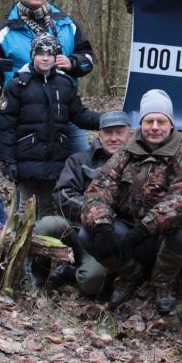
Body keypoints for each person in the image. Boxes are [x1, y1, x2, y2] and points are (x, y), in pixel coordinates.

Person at [80, 90, 182, 313]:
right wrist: (101, 225)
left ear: (171, 124)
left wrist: (146, 228)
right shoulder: (125, 154)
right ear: (141, 124)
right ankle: (130, 275)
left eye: (161, 121)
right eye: (149, 121)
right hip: (127, 232)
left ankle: (163, 281)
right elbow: (98, 189)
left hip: (162, 237)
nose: (154, 127)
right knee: (87, 234)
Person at [0, 0, 95, 153]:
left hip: (66, 110)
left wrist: (73, 62)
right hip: (25, 114)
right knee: (31, 171)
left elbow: (88, 58)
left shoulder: (66, 24)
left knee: (83, 167)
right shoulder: (6, 30)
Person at [0, 34, 101, 219]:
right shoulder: (18, 84)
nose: (45, 58)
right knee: (25, 209)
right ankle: (19, 245)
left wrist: (105, 120)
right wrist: (8, 161)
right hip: (26, 158)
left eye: (50, 54)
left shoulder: (65, 83)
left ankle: (45, 246)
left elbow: (79, 114)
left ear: (56, 57)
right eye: (40, 53)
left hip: (56, 157)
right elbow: (6, 127)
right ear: (32, 55)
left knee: (49, 207)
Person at [28, 110, 132, 296]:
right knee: (46, 225)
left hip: (106, 241)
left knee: (92, 283)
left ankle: (70, 272)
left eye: (119, 132)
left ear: (129, 133)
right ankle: (37, 280)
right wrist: (98, 210)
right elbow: (62, 195)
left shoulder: (136, 163)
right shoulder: (79, 160)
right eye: (108, 132)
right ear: (99, 134)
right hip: (75, 229)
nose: (114, 138)